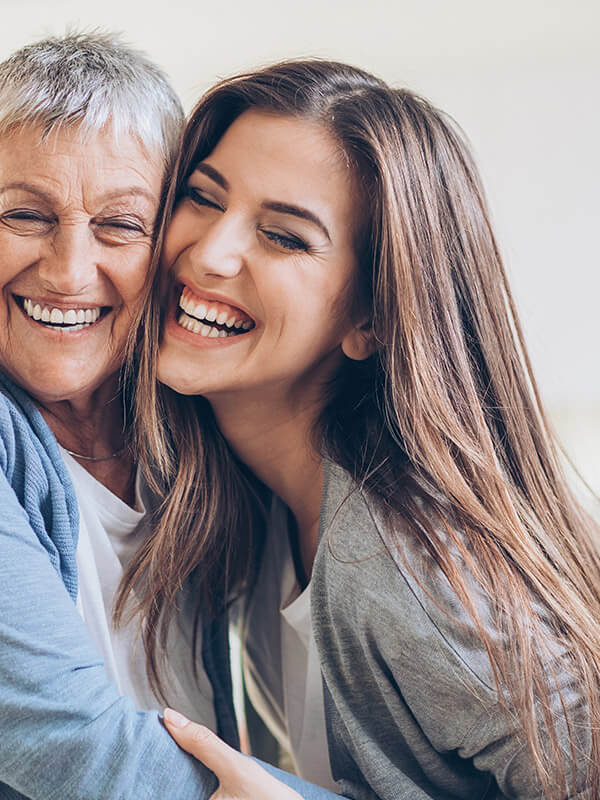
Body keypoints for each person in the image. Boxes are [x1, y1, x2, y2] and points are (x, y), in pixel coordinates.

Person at [0, 35, 336, 800]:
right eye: (26, 214)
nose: (69, 270)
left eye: (120, 225)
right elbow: (74, 743)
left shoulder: (192, 428)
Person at [134, 59, 600, 798]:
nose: (210, 253)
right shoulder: (253, 522)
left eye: (284, 237)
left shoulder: (420, 567)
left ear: (370, 318)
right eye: (201, 197)